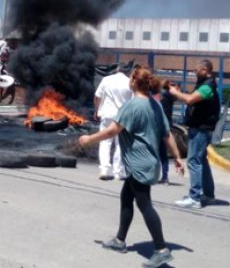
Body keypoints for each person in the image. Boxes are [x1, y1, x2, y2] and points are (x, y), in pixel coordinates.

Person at [79, 67, 183, 268]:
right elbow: (167, 134)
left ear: (134, 82)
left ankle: (161, 249)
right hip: (148, 162)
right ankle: (119, 240)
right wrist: (177, 156)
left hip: (139, 164)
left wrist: (88, 139)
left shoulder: (132, 105)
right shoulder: (155, 105)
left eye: (131, 78)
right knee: (126, 197)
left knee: (145, 205)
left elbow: (112, 130)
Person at [171, 59, 220, 209]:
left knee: (194, 162)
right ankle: (208, 195)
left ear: (205, 70)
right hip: (201, 128)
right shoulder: (204, 85)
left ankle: (194, 198)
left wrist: (175, 92)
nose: (194, 72)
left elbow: (190, 100)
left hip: (201, 129)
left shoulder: (207, 86)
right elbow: (191, 100)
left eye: (197, 70)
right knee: (201, 161)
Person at [94, 64, 132, 180]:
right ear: (127, 72)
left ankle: (104, 170)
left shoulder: (106, 80)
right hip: (122, 116)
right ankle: (118, 172)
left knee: (105, 142)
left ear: (117, 70)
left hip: (107, 114)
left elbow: (97, 96)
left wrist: (97, 111)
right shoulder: (129, 82)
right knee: (120, 145)